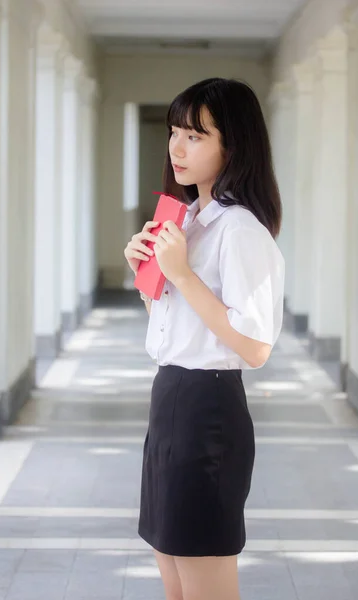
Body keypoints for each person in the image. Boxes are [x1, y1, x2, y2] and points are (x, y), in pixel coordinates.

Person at [124, 77, 285, 600]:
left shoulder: (240, 230)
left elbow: (255, 347)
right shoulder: (190, 219)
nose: (176, 147)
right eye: (174, 132)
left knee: (204, 583)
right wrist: (147, 277)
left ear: (232, 145)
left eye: (195, 135)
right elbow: (178, 327)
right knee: (173, 574)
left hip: (208, 409)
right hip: (169, 397)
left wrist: (184, 274)